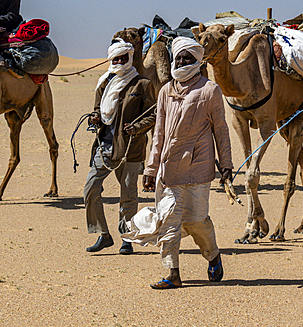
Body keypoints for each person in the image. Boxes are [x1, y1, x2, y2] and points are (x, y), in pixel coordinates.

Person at [124, 36, 233, 289]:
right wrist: (151, 169)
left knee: (196, 220)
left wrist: (226, 163)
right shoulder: (165, 91)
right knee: (169, 219)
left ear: (196, 61)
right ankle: (172, 273)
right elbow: (159, 133)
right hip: (169, 169)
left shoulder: (209, 90)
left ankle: (213, 254)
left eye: (187, 58)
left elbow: (221, 130)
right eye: (179, 58)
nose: (182, 61)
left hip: (198, 167)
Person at [84, 40, 156, 254]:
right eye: (116, 59)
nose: (119, 62)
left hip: (130, 148)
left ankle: (127, 238)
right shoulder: (104, 82)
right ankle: (103, 234)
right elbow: (98, 108)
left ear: (130, 58)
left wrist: (138, 127)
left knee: (128, 195)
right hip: (104, 145)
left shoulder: (141, 84)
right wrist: (95, 117)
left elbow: (154, 112)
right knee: (91, 188)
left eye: (123, 58)